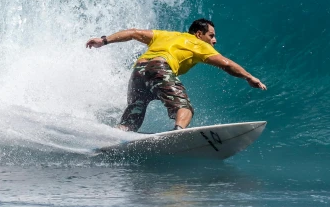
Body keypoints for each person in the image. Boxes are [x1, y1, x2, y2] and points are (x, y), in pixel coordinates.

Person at [85, 18, 266, 131]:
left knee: (134, 116)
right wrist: (249, 77)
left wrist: (104, 40)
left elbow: (133, 32)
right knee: (184, 108)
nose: (214, 40)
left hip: (138, 70)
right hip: (159, 67)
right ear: (199, 34)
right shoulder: (198, 43)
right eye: (211, 35)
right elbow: (226, 64)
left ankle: (119, 133)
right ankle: (178, 132)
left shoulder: (166, 35)